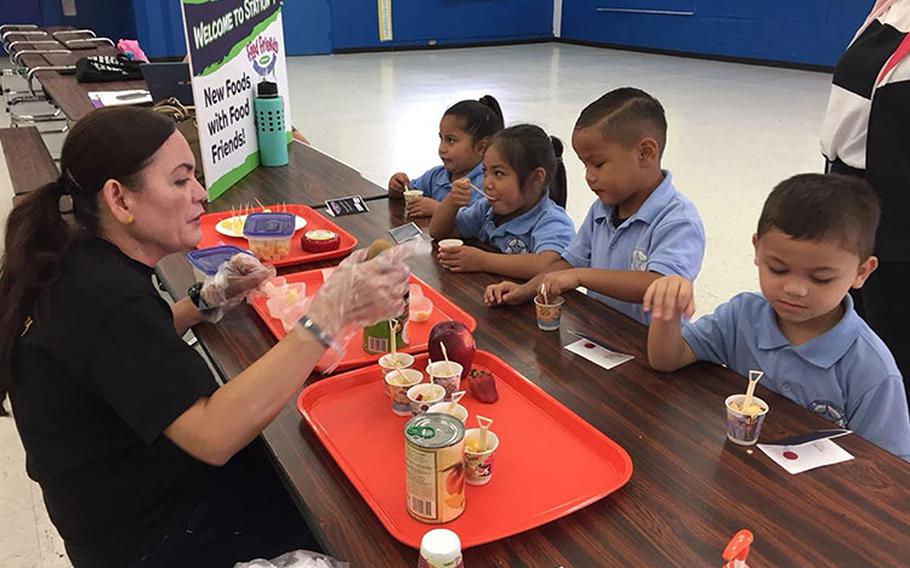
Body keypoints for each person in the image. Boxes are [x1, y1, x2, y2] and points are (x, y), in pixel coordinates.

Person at [0, 107, 410, 567]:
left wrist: (205, 300)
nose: (201, 193)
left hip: (135, 498)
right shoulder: (106, 297)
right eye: (180, 181)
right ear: (119, 199)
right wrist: (326, 317)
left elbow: (122, 355)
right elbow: (214, 434)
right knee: (350, 512)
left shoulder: (82, 259)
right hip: (153, 539)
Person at [644, 174, 910, 461]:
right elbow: (667, 360)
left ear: (862, 272)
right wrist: (667, 313)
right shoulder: (742, 315)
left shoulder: (871, 369)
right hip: (735, 470)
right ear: (757, 250)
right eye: (778, 269)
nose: (794, 289)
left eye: (821, 278)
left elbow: (890, 469)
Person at [484, 88, 705, 325]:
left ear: (645, 153)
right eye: (585, 165)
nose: (589, 176)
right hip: (600, 335)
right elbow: (567, 263)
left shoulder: (678, 220)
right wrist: (525, 290)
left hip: (651, 350)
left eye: (598, 164)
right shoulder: (601, 209)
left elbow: (658, 284)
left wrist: (580, 276)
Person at [820, 0, 910, 403]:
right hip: (851, 191)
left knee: (892, 341)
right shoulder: (889, 8)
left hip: (898, 206)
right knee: (848, 320)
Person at [428, 124, 575, 280]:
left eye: (498, 173)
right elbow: (438, 232)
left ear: (537, 177)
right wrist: (452, 201)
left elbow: (548, 265)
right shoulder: (487, 208)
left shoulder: (552, 220)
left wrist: (482, 261)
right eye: (485, 172)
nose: (487, 184)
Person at [388, 95, 504, 218]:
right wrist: (397, 188)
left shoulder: (486, 184)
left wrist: (438, 209)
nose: (442, 148)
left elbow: (478, 222)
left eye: (451, 140)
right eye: (441, 138)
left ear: (481, 148)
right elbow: (409, 192)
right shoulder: (436, 175)